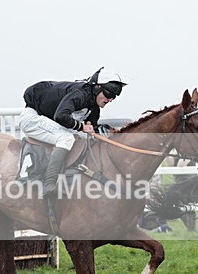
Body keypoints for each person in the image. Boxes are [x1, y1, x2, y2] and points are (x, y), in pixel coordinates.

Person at [20, 67, 126, 196]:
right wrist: (82, 127)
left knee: (83, 137)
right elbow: (60, 116)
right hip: (32, 117)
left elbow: (93, 130)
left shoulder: (94, 107)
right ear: (97, 87)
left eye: (114, 97)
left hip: (48, 119)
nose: (110, 99)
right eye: (109, 94)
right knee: (66, 138)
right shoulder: (80, 94)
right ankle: (49, 183)